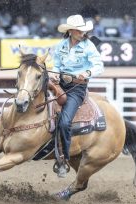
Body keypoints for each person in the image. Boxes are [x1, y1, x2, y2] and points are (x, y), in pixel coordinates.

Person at [49, 14, 104, 178]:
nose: (83, 33)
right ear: (72, 31)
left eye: (83, 31)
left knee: (65, 121)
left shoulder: (88, 46)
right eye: (80, 31)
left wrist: (87, 72)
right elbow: (56, 65)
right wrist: (55, 74)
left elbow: (99, 66)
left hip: (77, 88)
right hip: (60, 84)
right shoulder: (61, 46)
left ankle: (64, 160)